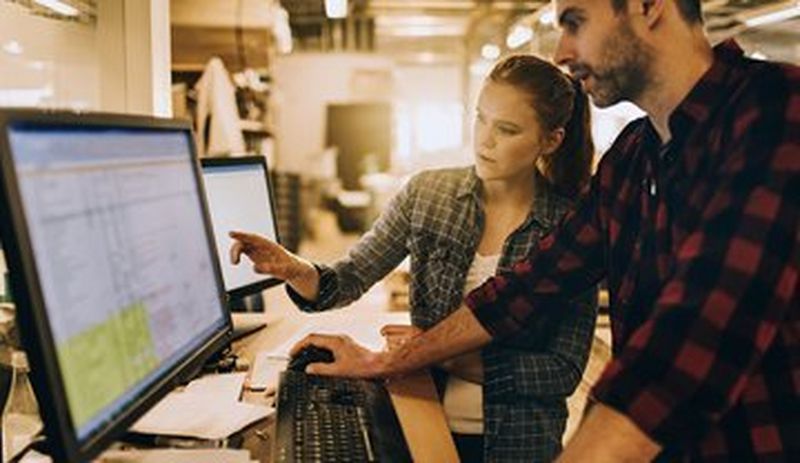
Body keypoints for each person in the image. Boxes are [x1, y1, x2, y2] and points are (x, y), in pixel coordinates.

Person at [288, 0, 799, 461]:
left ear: (649, 6)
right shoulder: (632, 159)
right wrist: (386, 361)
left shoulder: (777, 112)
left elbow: (691, 343)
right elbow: (525, 289)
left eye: (575, 22)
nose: (562, 50)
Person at [230, 54, 597, 462]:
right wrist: (292, 267)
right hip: (420, 411)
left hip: (517, 443)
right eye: (480, 118)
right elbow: (347, 279)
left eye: (506, 129)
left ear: (551, 140)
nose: (484, 140)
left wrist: (438, 353)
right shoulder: (428, 195)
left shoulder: (571, 227)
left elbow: (561, 371)